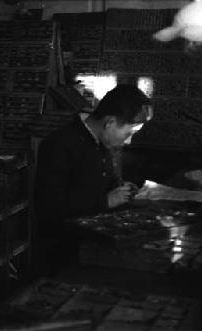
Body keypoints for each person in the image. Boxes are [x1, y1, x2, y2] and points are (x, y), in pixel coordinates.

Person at [33, 84, 153, 274]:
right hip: (64, 254)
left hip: (93, 245)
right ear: (110, 123)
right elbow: (49, 207)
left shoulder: (102, 143)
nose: (129, 141)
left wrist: (119, 189)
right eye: (129, 133)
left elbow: (92, 183)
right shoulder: (58, 145)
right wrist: (106, 200)